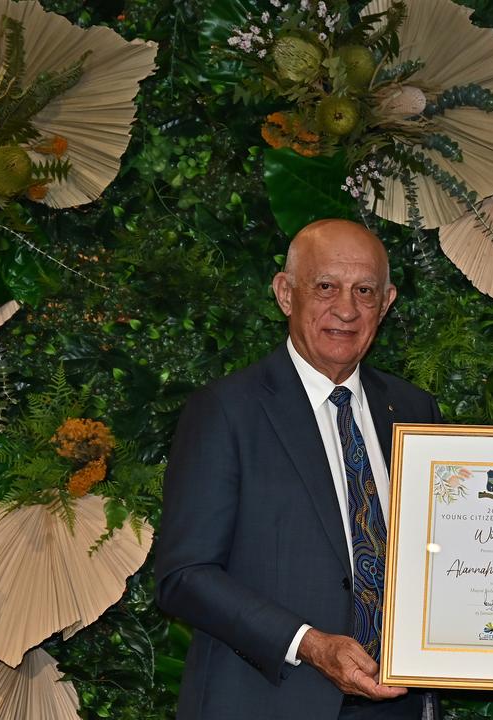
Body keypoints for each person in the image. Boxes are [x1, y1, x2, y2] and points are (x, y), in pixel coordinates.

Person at [155, 219, 442, 719]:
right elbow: (185, 575)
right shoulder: (226, 411)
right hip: (269, 699)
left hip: (399, 705)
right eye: (326, 287)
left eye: (365, 290)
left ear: (387, 301)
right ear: (286, 293)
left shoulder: (414, 410)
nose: (346, 309)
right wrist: (309, 644)